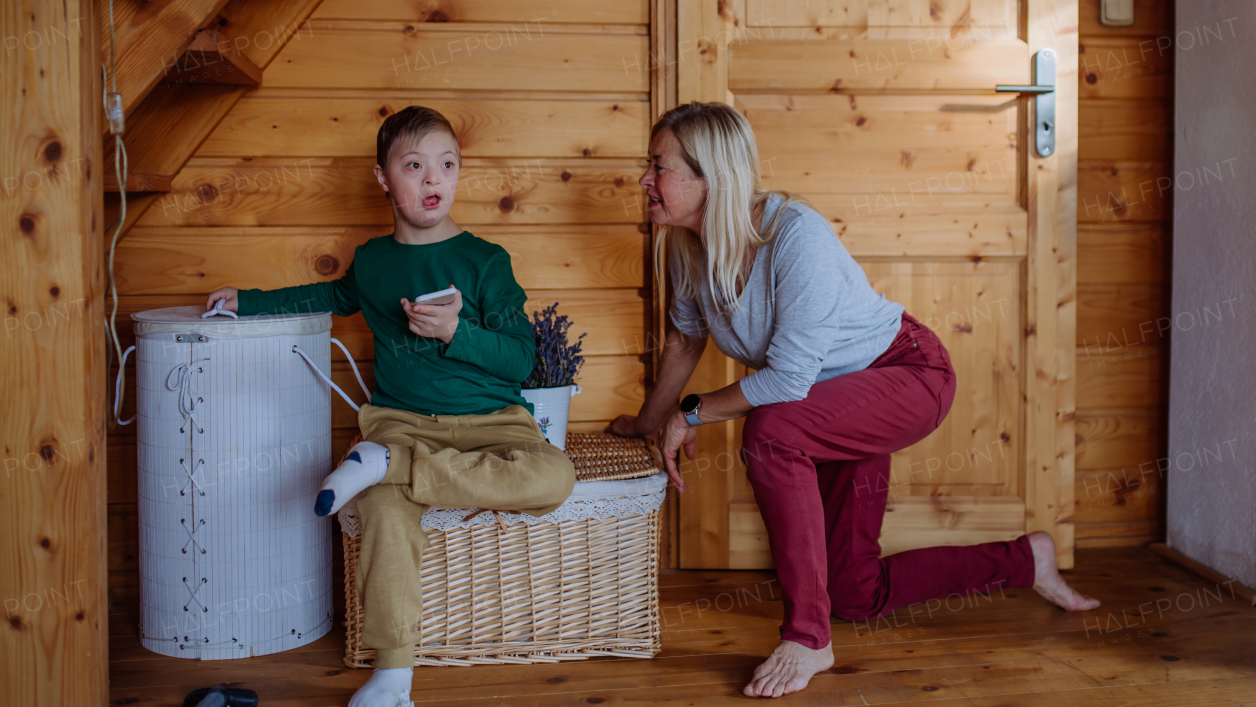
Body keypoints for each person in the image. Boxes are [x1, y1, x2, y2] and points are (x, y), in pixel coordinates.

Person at [608, 101, 1099, 699]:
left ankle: (808, 638)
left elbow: (787, 382)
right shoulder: (688, 250)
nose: (644, 179)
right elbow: (686, 342)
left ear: (712, 174)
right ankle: (1027, 561)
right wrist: (648, 423)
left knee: (771, 432)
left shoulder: (794, 234)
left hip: (905, 374)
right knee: (857, 594)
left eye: (658, 166)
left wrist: (694, 413)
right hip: (831, 401)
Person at [206, 106, 576, 707]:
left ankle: (389, 465)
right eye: (414, 166)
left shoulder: (487, 261)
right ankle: (393, 676)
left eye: (447, 165)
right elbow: (328, 294)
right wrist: (247, 301)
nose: (434, 180)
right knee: (381, 510)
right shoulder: (375, 260)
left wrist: (456, 331)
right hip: (401, 423)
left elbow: (520, 362)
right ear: (383, 178)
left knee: (555, 476)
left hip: (493, 427)